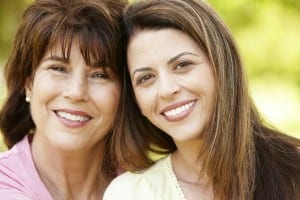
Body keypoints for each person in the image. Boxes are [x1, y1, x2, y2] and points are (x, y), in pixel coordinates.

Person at [103, 0, 300, 199]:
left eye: (182, 65)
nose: (166, 90)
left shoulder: (294, 173)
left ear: (222, 66)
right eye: (146, 78)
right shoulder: (131, 193)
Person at [0, 0, 127, 199]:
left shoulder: (150, 187)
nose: (76, 92)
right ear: (29, 82)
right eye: (58, 69)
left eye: (99, 75)